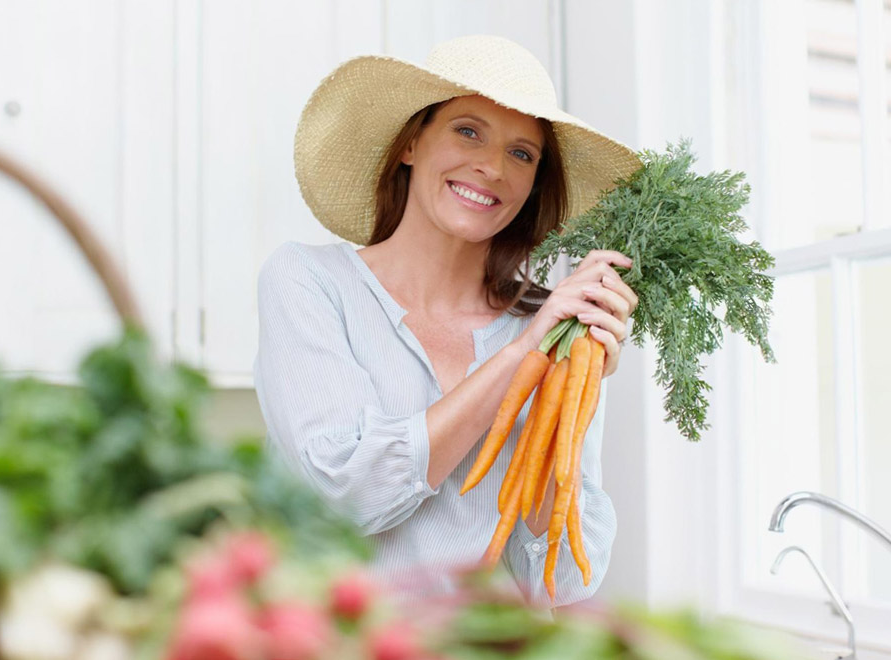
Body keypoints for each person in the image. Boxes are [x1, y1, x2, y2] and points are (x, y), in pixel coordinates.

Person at [253, 34, 641, 607]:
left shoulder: (557, 328)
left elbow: (559, 581)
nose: (491, 167)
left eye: (522, 153)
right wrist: (520, 357)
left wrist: (560, 390)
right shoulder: (309, 282)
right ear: (411, 141)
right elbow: (345, 494)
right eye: (468, 131)